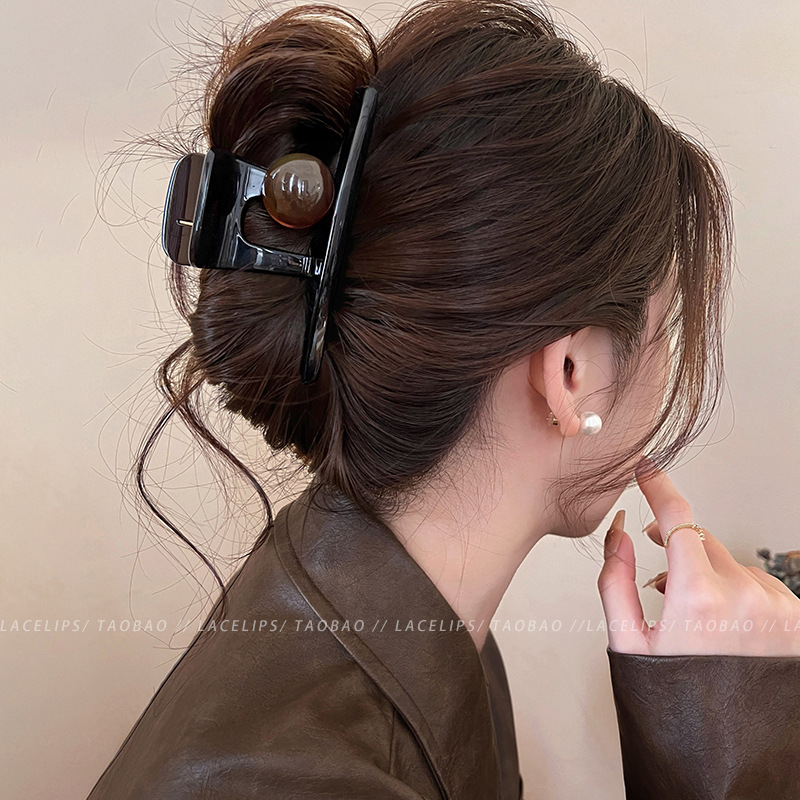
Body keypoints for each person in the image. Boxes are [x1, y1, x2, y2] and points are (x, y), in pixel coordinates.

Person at [86, 1, 800, 798]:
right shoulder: (295, 776)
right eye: (665, 330)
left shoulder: (420, 622)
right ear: (570, 374)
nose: (666, 368)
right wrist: (734, 738)